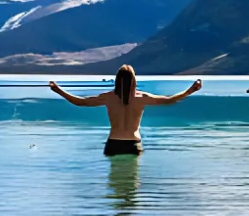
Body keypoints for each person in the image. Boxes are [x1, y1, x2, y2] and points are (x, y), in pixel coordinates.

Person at [49, 65, 202, 157]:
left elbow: (80, 103)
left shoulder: (108, 97)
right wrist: (190, 90)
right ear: (134, 80)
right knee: (131, 187)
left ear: (117, 80)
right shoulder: (142, 97)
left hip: (114, 144)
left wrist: (58, 90)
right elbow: (169, 100)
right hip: (133, 145)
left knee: (116, 186)